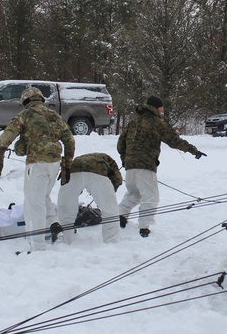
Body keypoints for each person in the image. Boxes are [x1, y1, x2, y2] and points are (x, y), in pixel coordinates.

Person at [0, 86, 75, 252]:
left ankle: (37, 245)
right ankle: (53, 223)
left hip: (37, 163)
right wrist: (68, 162)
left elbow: (8, 135)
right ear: (41, 99)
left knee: (33, 202)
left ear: (25, 101)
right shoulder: (54, 115)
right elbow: (69, 139)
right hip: (55, 162)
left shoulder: (25, 115)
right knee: (43, 195)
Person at [117, 95, 204, 237]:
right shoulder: (156, 122)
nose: (163, 110)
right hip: (145, 166)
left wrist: (125, 159)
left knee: (134, 193)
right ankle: (144, 228)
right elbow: (173, 140)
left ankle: (120, 217)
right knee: (150, 197)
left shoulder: (133, 121)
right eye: (161, 107)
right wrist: (193, 150)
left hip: (130, 166)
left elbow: (121, 143)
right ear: (156, 108)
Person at [57, 152, 123, 244]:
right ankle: (111, 241)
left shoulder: (80, 159)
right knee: (110, 210)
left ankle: (65, 241)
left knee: (66, 210)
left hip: (72, 171)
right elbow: (118, 179)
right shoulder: (109, 161)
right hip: (97, 172)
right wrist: (110, 191)